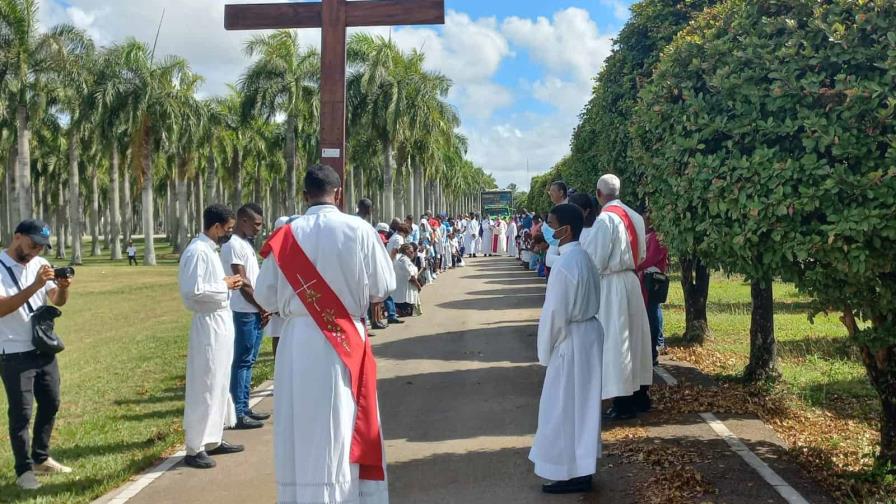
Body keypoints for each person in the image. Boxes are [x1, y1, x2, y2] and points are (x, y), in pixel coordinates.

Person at [255, 164, 395, 504]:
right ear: (340, 193)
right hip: (346, 338)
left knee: (300, 425)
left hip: (297, 341)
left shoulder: (286, 236)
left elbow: (265, 295)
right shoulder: (359, 229)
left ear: (304, 196)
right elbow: (384, 286)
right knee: (347, 420)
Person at [528, 204, 603, 494]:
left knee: (562, 407)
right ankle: (582, 468)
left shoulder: (565, 267)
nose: (547, 229)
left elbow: (555, 314)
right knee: (583, 407)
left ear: (565, 229)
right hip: (588, 335)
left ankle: (569, 471)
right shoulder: (583, 258)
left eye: (551, 224)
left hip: (570, 340)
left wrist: (545, 351)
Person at [0, 220, 72, 490]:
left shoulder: (40, 264)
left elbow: (56, 299)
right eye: (32, 245)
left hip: (43, 348)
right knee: (21, 414)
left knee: (51, 402)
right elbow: (1, 308)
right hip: (13, 352)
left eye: (41, 247)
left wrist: (63, 286)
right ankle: (23, 471)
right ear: (16, 237)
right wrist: (33, 285)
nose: (35, 251)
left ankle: (41, 457)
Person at [178, 205, 245, 469]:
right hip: (208, 324)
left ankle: (214, 438)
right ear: (215, 227)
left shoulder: (209, 251)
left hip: (221, 320)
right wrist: (224, 285)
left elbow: (208, 284)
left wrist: (225, 283)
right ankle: (194, 446)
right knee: (205, 382)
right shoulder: (196, 252)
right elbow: (192, 292)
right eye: (227, 230)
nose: (228, 234)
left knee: (219, 380)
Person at [582, 174, 652, 420]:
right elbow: (642, 253)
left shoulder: (605, 220)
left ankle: (623, 402)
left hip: (612, 283)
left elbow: (595, 259)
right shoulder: (635, 216)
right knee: (635, 340)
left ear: (599, 195)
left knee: (616, 342)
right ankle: (640, 395)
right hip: (631, 280)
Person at [221, 203, 270, 430]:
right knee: (241, 361)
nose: (260, 228)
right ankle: (238, 412)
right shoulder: (233, 246)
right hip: (243, 311)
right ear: (243, 221)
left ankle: (244, 405)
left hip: (253, 310)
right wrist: (262, 306)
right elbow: (242, 283)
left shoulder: (245, 244)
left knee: (249, 360)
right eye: (256, 224)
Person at [637, 210, 669, 366]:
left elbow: (649, 258)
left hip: (652, 281)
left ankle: (653, 351)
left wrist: (634, 265)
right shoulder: (648, 235)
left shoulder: (657, 237)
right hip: (645, 280)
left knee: (652, 315)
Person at [264, 216, 295, 361]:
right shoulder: (275, 249)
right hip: (279, 305)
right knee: (278, 335)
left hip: (288, 305)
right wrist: (274, 307)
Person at [393, 244, 421, 317]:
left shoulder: (399, 259)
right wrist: (418, 286)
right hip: (405, 294)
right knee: (406, 313)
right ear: (406, 251)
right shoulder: (405, 261)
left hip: (400, 292)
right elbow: (411, 276)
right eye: (411, 252)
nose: (413, 254)